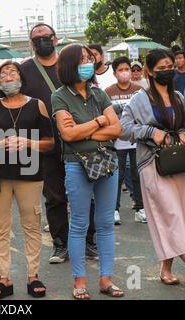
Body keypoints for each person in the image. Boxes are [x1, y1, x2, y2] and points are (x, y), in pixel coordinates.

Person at [21, 23, 98, 263]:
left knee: (85, 193)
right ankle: (61, 244)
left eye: (47, 37)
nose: (42, 41)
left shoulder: (71, 62)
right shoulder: (24, 70)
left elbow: (91, 95)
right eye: (37, 39)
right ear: (32, 44)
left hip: (79, 140)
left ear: (55, 40)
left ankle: (88, 241)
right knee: (54, 196)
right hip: (46, 143)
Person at [52, 44, 123, 299]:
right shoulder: (60, 96)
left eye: (90, 59)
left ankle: (106, 279)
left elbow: (117, 130)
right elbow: (67, 134)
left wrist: (85, 129)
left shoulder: (99, 94)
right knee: (80, 224)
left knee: (105, 224)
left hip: (107, 162)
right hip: (77, 163)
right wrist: (99, 122)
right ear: (70, 64)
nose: (88, 63)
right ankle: (79, 280)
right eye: (83, 59)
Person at [0, 61, 54, 299]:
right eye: (3, 74)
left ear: (21, 78)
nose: (8, 77)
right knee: (0, 227)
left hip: (30, 176)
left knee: (31, 226)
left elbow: (50, 142)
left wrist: (29, 143)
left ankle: (33, 276)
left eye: (13, 73)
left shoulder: (36, 105)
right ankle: (4, 279)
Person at [121, 49, 185, 286]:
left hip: (179, 162)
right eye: (162, 68)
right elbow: (124, 128)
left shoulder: (178, 96)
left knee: (178, 217)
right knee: (170, 215)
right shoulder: (140, 99)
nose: (168, 71)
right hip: (153, 164)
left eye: (171, 66)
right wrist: (152, 133)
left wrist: (181, 133)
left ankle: (165, 269)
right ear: (149, 72)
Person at [104, 57, 146, 225]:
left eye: (127, 69)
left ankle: (140, 208)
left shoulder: (139, 89)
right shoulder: (108, 92)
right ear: (115, 73)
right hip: (116, 142)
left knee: (137, 175)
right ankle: (114, 209)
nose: (125, 73)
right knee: (117, 176)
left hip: (136, 140)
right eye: (120, 70)